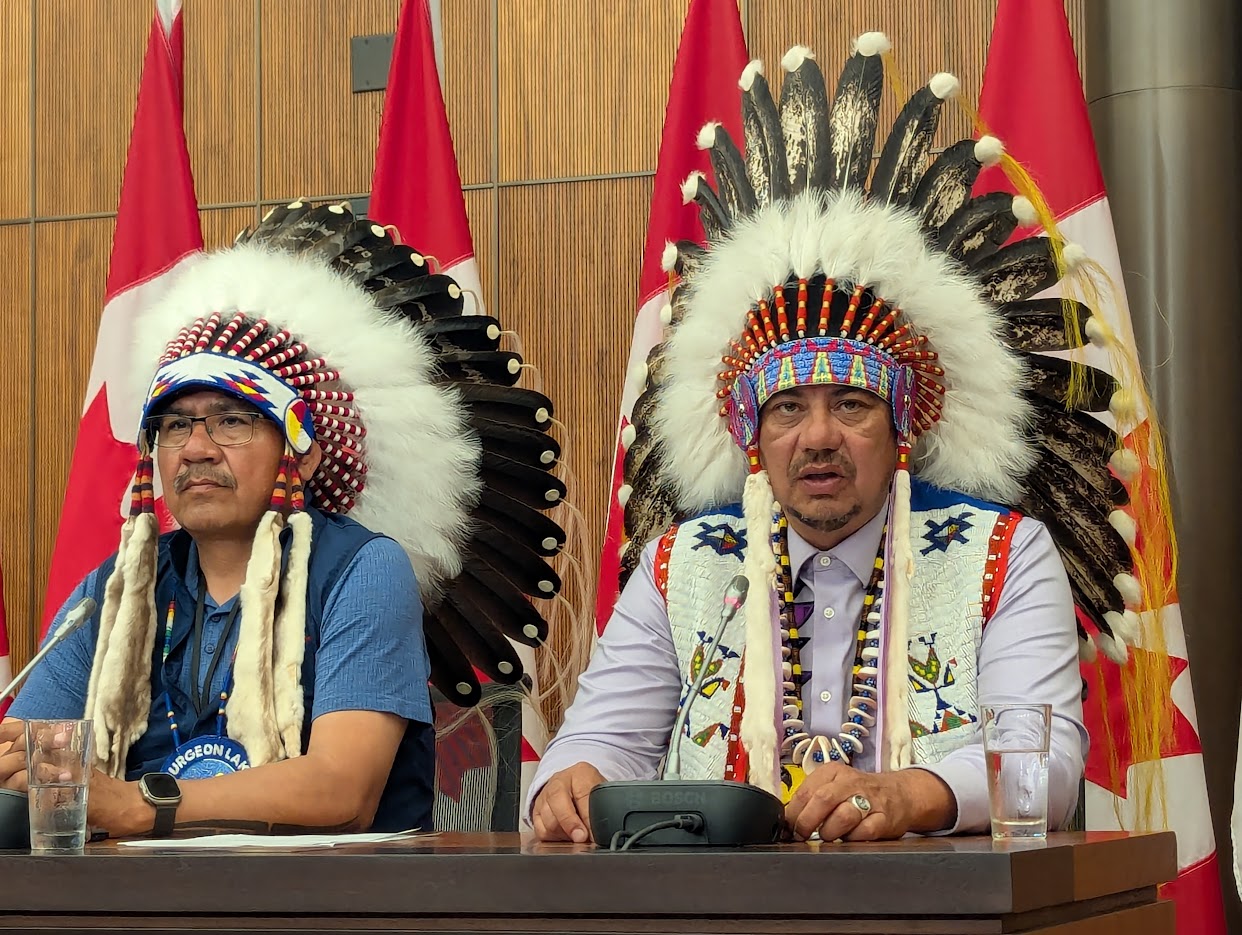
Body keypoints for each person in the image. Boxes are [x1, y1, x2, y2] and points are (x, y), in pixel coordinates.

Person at [529, 35, 1165, 844]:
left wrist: (911, 794)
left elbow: (1039, 765)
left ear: (905, 425)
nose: (818, 436)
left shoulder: (1003, 556)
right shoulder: (681, 566)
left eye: (854, 404)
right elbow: (596, 740)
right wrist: (568, 781)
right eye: (788, 407)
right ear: (752, 436)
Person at [1, 201, 569, 837]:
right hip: (137, 898)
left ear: (302, 452)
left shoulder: (361, 569)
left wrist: (140, 803)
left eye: (232, 420)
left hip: (323, 905)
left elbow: (341, 789)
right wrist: (25, 762)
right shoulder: (117, 590)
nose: (195, 448)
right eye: (176, 424)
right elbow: (28, 751)